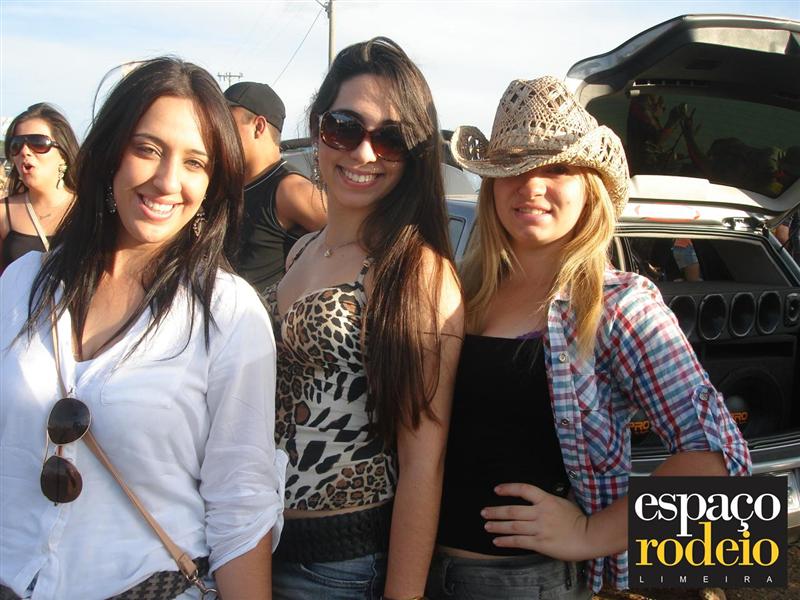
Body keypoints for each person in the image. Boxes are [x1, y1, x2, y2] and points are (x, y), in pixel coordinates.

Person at [429, 76, 751, 597]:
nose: (531, 185)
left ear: (590, 187)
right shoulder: (461, 290)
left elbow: (719, 456)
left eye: (556, 168)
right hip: (411, 566)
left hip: (521, 584)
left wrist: (588, 534)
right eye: (513, 165)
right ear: (491, 184)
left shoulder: (619, 304)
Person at [0, 57, 285, 599]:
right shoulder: (23, 285)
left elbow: (241, 504)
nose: (167, 181)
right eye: (147, 149)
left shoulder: (228, 313)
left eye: (195, 162)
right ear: (110, 155)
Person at [265, 38, 463, 599]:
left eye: (391, 138)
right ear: (318, 127)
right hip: (258, 545)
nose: (365, 153)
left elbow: (424, 463)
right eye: (345, 128)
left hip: (340, 569)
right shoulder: (303, 250)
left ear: (414, 154)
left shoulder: (415, 272)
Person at [224, 81, 327, 291]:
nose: (218, 131)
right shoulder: (230, 185)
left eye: (226, 123)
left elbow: (356, 238)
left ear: (258, 127)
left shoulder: (289, 188)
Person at [0, 103, 79, 272]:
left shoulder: (90, 208)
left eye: (38, 143)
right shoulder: (4, 212)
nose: (25, 152)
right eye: (16, 145)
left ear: (63, 154)